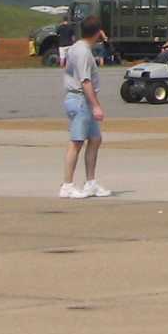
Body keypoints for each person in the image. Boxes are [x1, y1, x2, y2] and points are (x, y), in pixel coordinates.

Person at [58, 15, 110, 199]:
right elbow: (85, 81)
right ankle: (67, 185)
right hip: (80, 99)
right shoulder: (83, 53)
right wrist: (96, 106)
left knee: (95, 139)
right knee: (77, 142)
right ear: (98, 32)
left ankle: (90, 182)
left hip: (83, 100)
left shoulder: (76, 48)